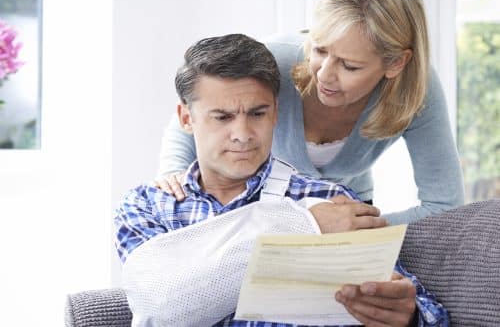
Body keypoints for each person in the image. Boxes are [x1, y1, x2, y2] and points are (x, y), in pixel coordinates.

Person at [115, 33, 448, 327]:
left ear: (275, 112)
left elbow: (429, 310)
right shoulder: (148, 207)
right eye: (223, 117)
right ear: (187, 119)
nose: (243, 135)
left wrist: (408, 316)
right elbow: (159, 307)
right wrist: (304, 225)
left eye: (257, 114)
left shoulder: (333, 201)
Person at [155, 0, 464, 225]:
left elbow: (444, 204)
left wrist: (362, 229)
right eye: (319, 49)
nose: (325, 75)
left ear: (396, 63)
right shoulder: (275, 60)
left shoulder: (417, 92)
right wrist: (174, 175)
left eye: (350, 65)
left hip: (348, 211)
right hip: (263, 208)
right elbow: (197, 109)